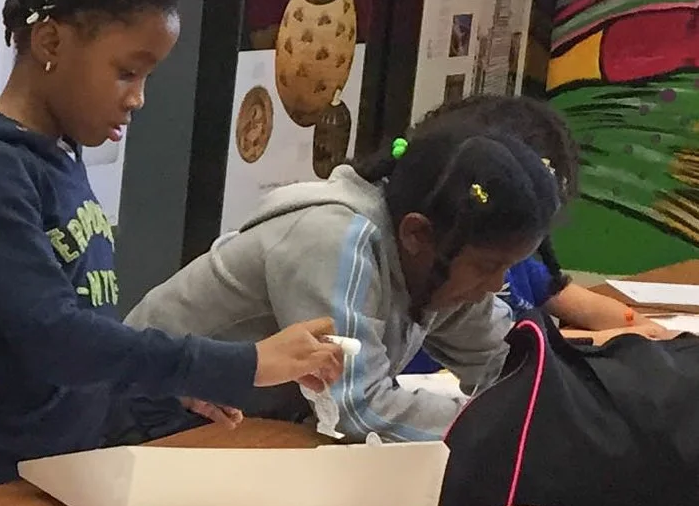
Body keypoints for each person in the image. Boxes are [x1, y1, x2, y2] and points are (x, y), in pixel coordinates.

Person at [0, 0, 342, 506]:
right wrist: (242, 363)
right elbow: (57, 338)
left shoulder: (58, 154)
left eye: (146, 77)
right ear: (50, 42)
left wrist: (165, 390)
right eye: (126, 72)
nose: (138, 97)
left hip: (45, 475)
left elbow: (73, 357)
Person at [127, 120, 564, 439]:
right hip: (145, 415)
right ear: (416, 234)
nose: (496, 285)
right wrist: (492, 428)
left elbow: (511, 365)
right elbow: (356, 409)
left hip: (245, 426)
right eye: (487, 266)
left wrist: (543, 408)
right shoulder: (335, 239)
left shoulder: (439, 264)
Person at [398, 94, 669, 366]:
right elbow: (512, 350)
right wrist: (612, 339)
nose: (495, 283)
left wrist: (657, 334)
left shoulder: (513, 261)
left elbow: (582, 306)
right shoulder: (444, 270)